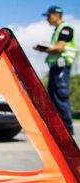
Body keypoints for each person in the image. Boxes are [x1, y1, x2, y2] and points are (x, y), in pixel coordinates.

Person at [34, 6, 78, 135]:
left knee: (60, 95)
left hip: (62, 67)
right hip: (56, 67)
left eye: (48, 16)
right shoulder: (57, 30)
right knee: (53, 96)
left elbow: (59, 48)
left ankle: (67, 129)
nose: (47, 19)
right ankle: (58, 127)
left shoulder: (65, 29)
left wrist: (43, 49)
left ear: (56, 15)